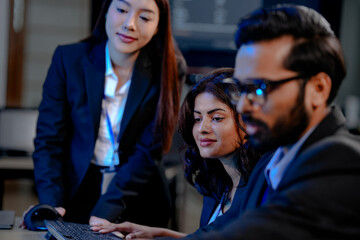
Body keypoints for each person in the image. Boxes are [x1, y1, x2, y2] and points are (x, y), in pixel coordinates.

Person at [165, 4, 360, 240]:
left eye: (259, 88)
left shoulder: (340, 160)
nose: (244, 106)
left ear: (318, 88)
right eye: (243, 91)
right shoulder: (270, 163)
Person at [25, 0, 187, 228]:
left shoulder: (168, 68)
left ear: (158, 25)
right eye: (121, 10)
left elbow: (149, 149)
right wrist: (52, 204)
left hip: (139, 197)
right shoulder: (68, 60)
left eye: (145, 17)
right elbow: (49, 140)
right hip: (76, 193)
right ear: (106, 12)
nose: (130, 24)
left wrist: (107, 209)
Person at [91, 68, 260, 239]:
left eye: (216, 118)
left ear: (250, 121)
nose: (202, 129)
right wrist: (158, 234)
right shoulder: (219, 183)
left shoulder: (259, 185)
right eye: (197, 119)